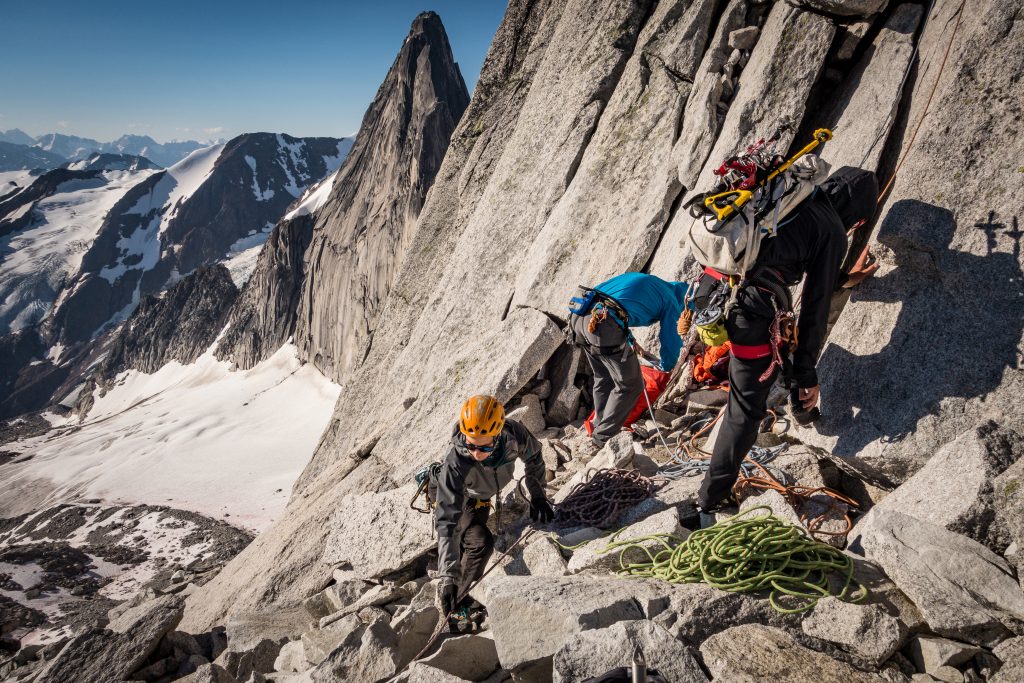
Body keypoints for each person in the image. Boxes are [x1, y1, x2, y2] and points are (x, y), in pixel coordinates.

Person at [694, 166, 879, 522]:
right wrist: (807, 374)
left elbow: (785, 251)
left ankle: (793, 401)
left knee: (750, 383)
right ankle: (708, 500)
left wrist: (840, 276)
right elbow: (815, 306)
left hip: (715, 291)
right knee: (745, 409)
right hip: (752, 310)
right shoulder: (832, 230)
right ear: (856, 219)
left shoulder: (794, 197)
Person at [434, 395, 553, 619]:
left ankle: (461, 587)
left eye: (484, 447)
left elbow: (534, 458)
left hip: (481, 498)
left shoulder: (515, 435)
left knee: (472, 538)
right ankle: (458, 603)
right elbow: (447, 520)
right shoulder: (455, 462)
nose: (477, 454)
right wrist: (448, 578)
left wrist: (538, 495)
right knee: (480, 543)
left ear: (498, 434)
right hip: (460, 496)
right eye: (471, 445)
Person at [567, 272, 689, 446]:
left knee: (604, 377)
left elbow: (618, 305)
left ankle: (597, 425)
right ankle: (602, 439)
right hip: (601, 324)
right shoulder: (674, 302)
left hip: (579, 318)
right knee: (630, 384)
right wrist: (667, 367)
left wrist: (631, 340)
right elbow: (671, 339)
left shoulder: (656, 285)